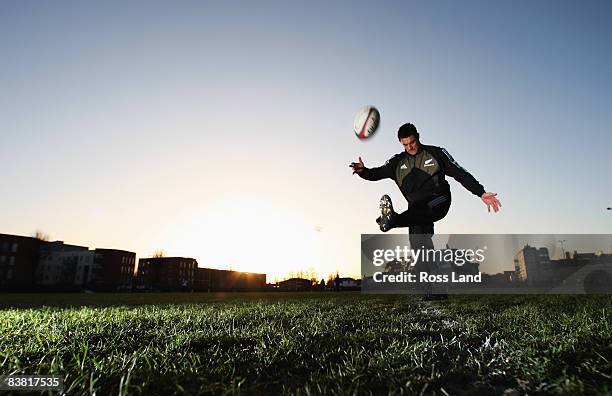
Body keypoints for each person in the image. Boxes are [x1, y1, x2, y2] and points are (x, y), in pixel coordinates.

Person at [350, 123, 501, 297]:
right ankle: (436, 291)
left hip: (439, 200)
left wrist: (480, 192)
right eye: (405, 144)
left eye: (412, 142)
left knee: (424, 208)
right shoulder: (397, 162)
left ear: (418, 136)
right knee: (420, 248)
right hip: (415, 213)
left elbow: (460, 173)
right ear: (400, 143)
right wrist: (363, 171)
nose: (410, 147)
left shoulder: (436, 153)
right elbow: (376, 174)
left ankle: (393, 220)